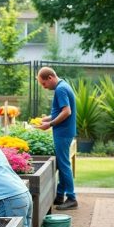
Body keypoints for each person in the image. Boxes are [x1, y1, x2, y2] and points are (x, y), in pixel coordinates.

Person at [36, 67, 78, 210]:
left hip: (63, 132)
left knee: (64, 165)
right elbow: (61, 111)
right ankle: (60, 195)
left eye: (44, 84)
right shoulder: (64, 86)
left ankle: (71, 198)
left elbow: (67, 112)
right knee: (61, 163)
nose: (44, 87)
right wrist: (45, 119)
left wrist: (50, 124)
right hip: (64, 131)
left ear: (50, 78)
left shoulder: (60, 89)